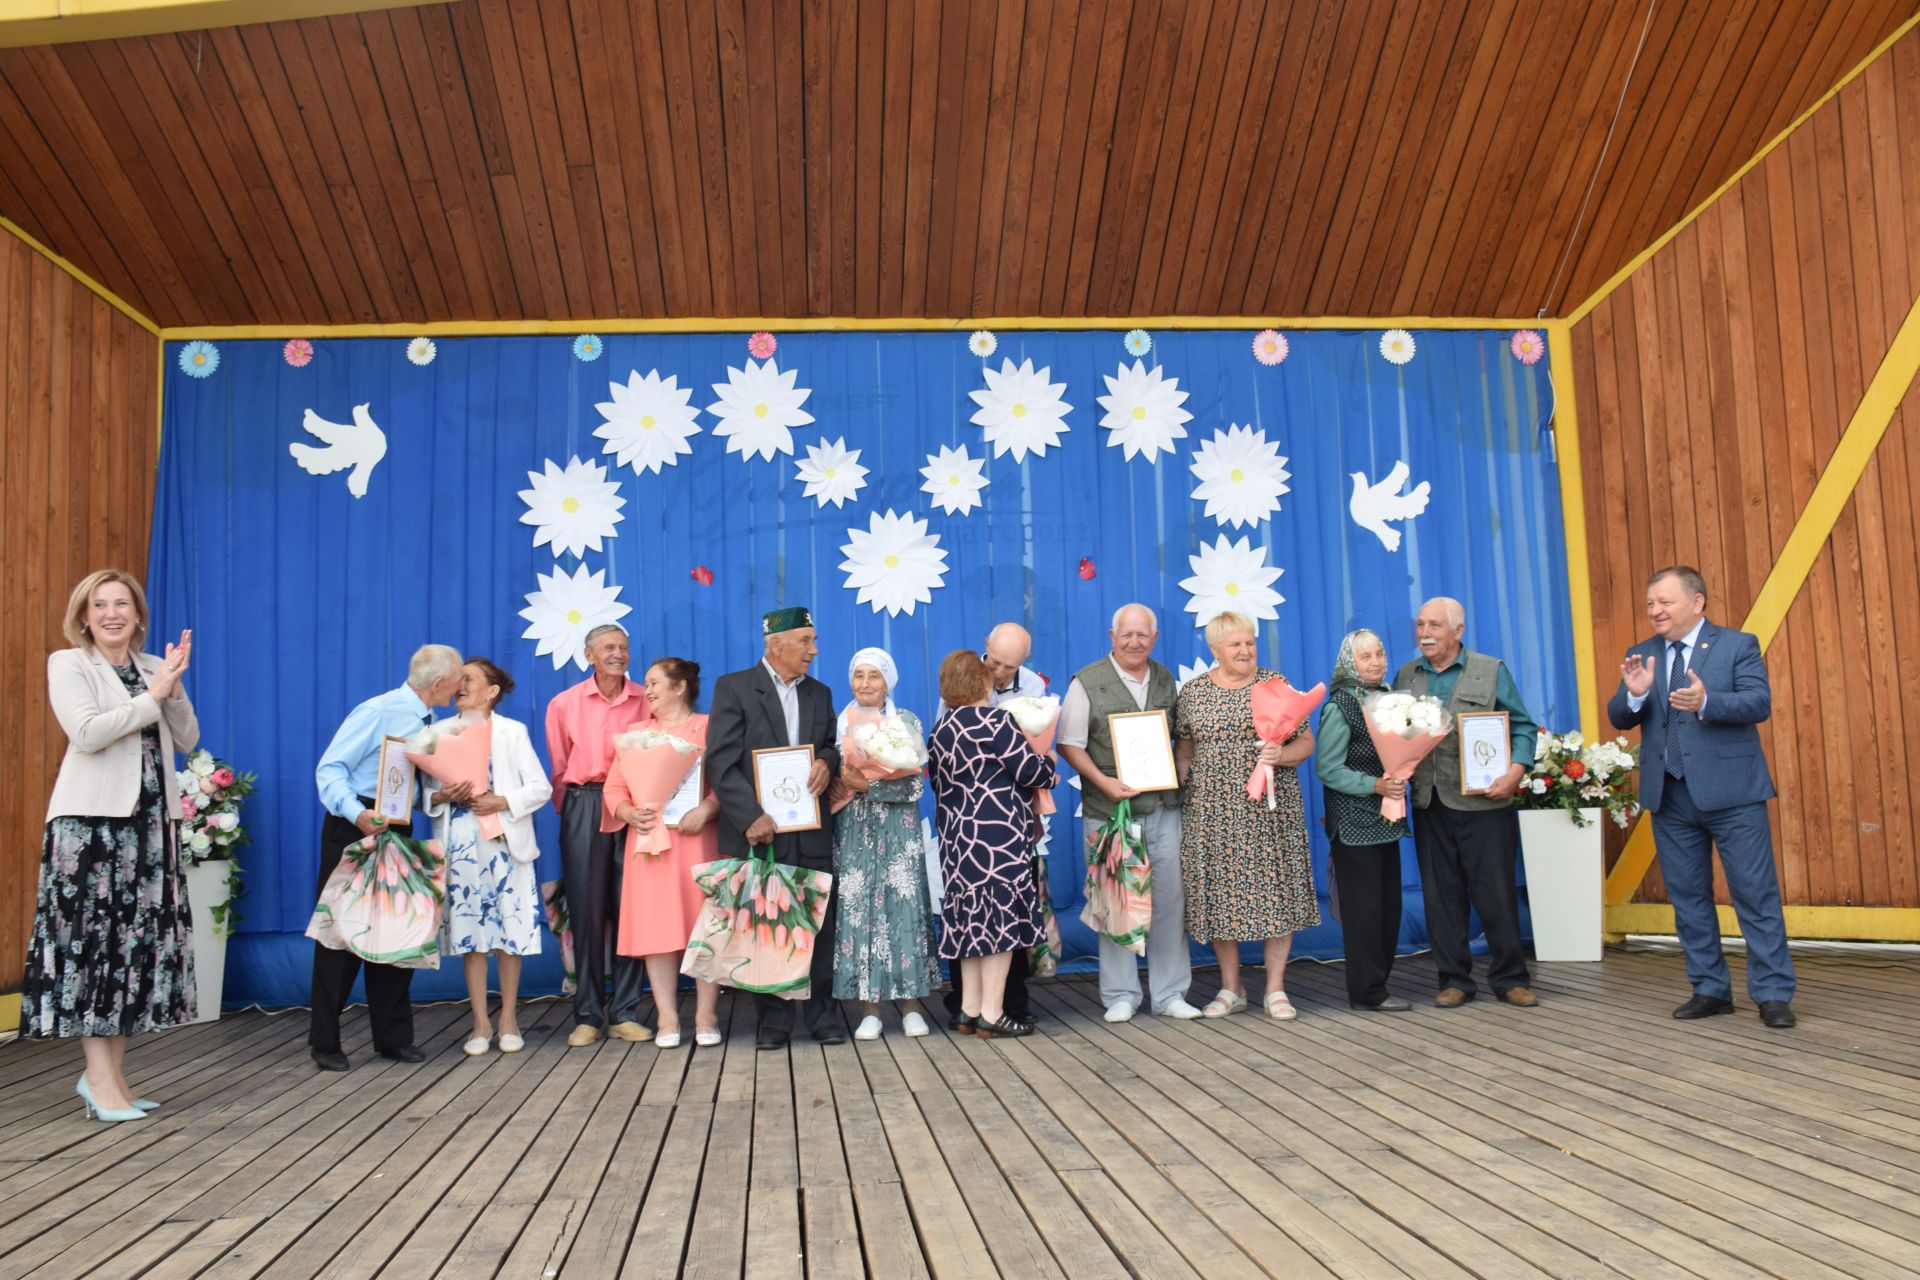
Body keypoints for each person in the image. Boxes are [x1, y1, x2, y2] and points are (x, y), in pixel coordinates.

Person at [26, 570, 198, 1121]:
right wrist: (152, 696)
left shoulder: (154, 668)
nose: (111, 613)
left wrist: (169, 688)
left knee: (132, 953)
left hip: (150, 827)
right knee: (93, 951)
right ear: (84, 617)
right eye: (98, 605)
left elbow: (189, 738)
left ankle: (113, 1079)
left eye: (121, 603)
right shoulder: (68, 663)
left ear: (138, 615)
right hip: (90, 829)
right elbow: (89, 733)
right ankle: (98, 1081)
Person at [1608, 566, 1796, 1028]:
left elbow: (1759, 703)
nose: (1655, 611)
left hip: (1733, 796)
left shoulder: (1737, 645)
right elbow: (1618, 716)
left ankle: (1772, 994)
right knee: (1689, 899)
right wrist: (1633, 698)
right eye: (1651, 603)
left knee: (1755, 895)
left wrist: (1709, 702)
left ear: (1697, 602)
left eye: (1665, 602)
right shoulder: (1642, 655)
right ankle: (1710, 989)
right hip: (1670, 796)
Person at [311, 643, 463, 1071]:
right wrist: (356, 813)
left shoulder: (430, 721)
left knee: (400, 930)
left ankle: (393, 1037)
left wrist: (435, 797)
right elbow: (330, 768)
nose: (458, 687)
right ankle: (325, 1041)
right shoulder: (378, 711)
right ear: (438, 683)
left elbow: (407, 786)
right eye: (456, 681)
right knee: (340, 936)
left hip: (396, 824)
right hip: (356, 824)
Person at [705, 607, 844, 1049]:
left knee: (819, 924)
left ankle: (823, 1017)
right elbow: (721, 763)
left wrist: (827, 760)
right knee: (768, 926)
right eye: (805, 641)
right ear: (775, 643)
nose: (814, 650)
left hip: (812, 828)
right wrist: (750, 816)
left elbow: (829, 743)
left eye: (813, 640)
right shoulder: (735, 688)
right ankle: (774, 1022)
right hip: (761, 833)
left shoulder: (820, 693)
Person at [1173, 610, 1320, 1021]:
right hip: (1211, 812)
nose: (1244, 650)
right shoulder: (1194, 693)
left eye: (1250, 642)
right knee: (1221, 896)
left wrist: (1282, 754)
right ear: (1215, 649)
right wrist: (1184, 801)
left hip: (1269, 811)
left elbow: (1305, 742)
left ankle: (1275, 989)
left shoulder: (1275, 684)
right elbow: (1184, 752)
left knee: (1275, 891)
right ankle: (1231, 987)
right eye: (1235, 644)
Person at [1393, 597, 1538, 1009]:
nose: (1425, 634)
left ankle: (1511, 979)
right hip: (1429, 801)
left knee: (1496, 895)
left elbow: (1523, 727)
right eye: (1420, 625)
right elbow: (1395, 733)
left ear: (1458, 631)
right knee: (1442, 897)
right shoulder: (1406, 675)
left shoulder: (1491, 671)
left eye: (1435, 626)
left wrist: (1515, 771)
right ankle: (1454, 980)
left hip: (1486, 803)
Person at [1057, 604, 1199, 1022]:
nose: (1135, 642)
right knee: (1116, 901)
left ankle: (1171, 993)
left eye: (1143, 635)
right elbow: (1068, 743)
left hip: (1162, 808)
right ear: (1111, 635)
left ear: (1154, 638)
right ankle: (1120, 994)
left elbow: (1178, 742)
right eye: (1127, 634)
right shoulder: (1087, 681)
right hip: (1109, 810)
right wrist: (1103, 783)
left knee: (1170, 902)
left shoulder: (1166, 678)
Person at [927, 650, 1057, 1038]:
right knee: (1000, 927)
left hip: (957, 842)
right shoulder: (997, 722)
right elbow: (1030, 771)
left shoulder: (941, 731)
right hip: (998, 839)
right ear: (982, 682)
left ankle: (969, 1010)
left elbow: (939, 785)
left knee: (970, 925)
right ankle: (993, 1012)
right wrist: (1047, 758)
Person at [425, 658, 548, 1057]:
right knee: (470, 935)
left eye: (470, 680)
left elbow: (540, 787)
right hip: (460, 843)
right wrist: (442, 796)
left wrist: (503, 800)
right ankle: (479, 1022)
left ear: (492, 690)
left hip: (505, 843)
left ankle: (509, 1018)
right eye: (458, 680)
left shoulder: (513, 732)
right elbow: (426, 794)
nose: (460, 686)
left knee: (510, 933)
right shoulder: (436, 732)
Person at [545, 623, 654, 1047]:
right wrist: (574, 812)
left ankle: (625, 1011)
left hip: (634, 807)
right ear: (588, 654)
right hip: (585, 804)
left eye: (624, 648)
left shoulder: (647, 699)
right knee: (587, 910)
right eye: (609, 647)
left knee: (631, 909)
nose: (618, 654)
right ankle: (588, 1014)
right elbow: (558, 767)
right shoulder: (564, 704)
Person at [607, 657, 724, 1049]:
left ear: (679, 687)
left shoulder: (708, 727)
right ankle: (667, 1017)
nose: (649, 690)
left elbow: (727, 781)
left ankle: (706, 1015)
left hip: (697, 840)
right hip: (650, 843)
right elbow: (614, 790)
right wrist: (629, 813)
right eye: (646, 683)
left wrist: (706, 809)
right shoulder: (635, 733)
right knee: (658, 932)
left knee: (704, 927)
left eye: (655, 682)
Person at [828, 646, 939, 1040]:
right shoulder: (836, 725)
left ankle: (911, 1005)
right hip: (854, 832)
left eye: (874, 676)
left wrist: (870, 785)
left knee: (903, 912)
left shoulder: (905, 721)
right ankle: (869, 1010)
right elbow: (828, 783)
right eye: (859, 676)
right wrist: (846, 784)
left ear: (888, 681)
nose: (865, 684)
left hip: (898, 833)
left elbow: (913, 785)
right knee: (859, 916)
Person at [1314, 629, 1412, 1012]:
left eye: (1379, 653)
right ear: (1349, 663)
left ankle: (1379, 985)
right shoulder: (1341, 705)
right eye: (1365, 656)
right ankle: (1367, 992)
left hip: (1386, 819)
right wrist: (1375, 784)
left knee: (1389, 908)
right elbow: (1328, 768)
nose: (1375, 662)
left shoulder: (1390, 700)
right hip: (1353, 824)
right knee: (1364, 912)